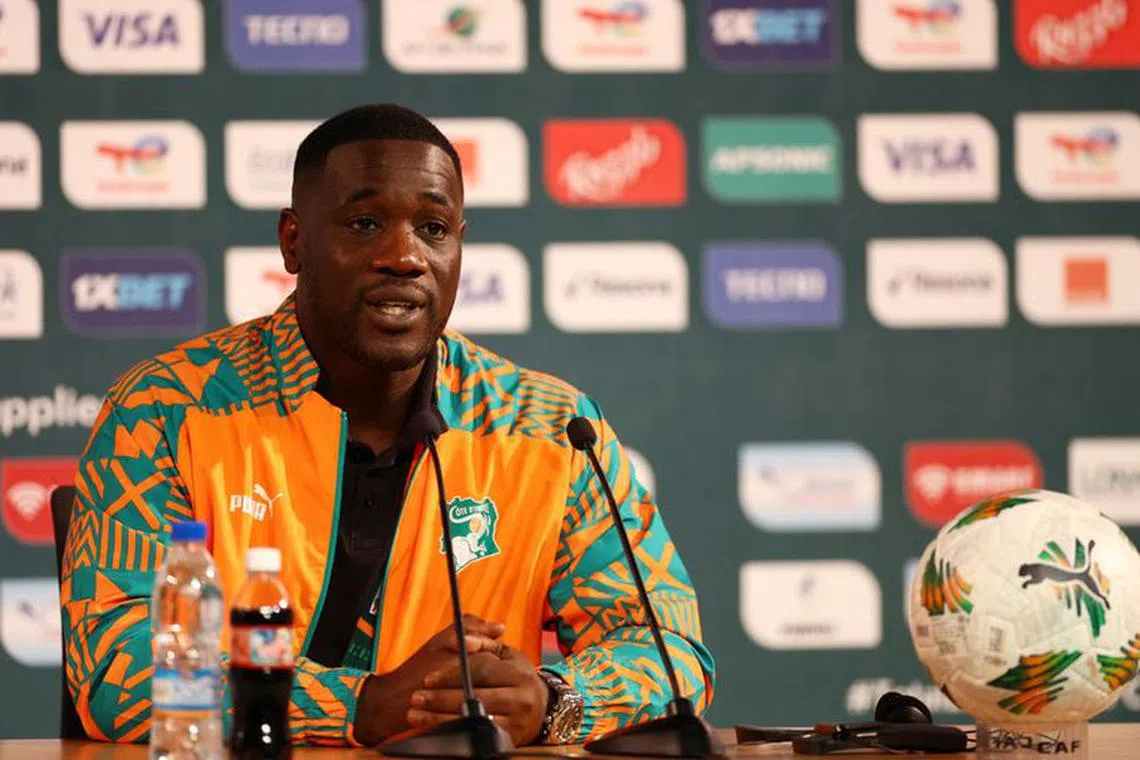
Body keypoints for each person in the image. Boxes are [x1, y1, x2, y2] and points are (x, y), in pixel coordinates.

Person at [59, 103, 715, 748]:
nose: (404, 256)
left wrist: (554, 701)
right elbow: (118, 666)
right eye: (366, 223)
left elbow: (667, 646)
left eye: (433, 228)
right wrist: (359, 708)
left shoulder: (549, 429)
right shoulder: (169, 411)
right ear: (294, 241)